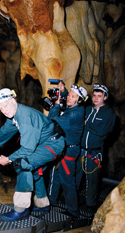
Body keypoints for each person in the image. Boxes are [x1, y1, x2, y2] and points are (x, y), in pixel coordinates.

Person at [0, 88, 65, 221]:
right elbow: (7, 128)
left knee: (23, 164)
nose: (4, 110)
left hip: (52, 144)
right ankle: (43, 205)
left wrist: (8, 159)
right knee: (35, 171)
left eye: (5, 106)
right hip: (44, 144)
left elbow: (27, 150)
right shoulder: (15, 114)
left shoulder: (25, 117)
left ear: (13, 101)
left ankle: (21, 209)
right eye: (1, 108)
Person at [47, 83, 87, 217]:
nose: (68, 98)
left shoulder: (73, 115)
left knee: (68, 181)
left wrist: (56, 105)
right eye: (69, 95)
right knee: (58, 176)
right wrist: (63, 92)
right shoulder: (78, 108)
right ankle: (52, 200)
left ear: (79, 100)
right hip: (67, 149)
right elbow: (69, 101)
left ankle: (73, 211)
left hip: (69, 152)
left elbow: (51, 122)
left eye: (73, 96)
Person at [76, 83, 116, 213]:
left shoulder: (108, 114)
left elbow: (102, 131)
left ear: (105, 97)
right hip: (80, 150)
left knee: (92, 181)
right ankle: (72, 203)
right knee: (75, 178)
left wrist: (86, 124)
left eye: (99, 96)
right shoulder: (88, 109)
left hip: (94, 152)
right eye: (94, 96)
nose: (96, 98)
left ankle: (90, 206)